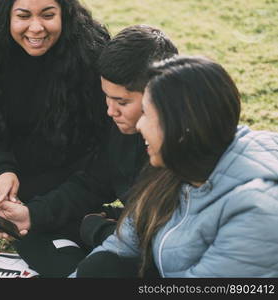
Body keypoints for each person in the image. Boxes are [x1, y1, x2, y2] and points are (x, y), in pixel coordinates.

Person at [0, 24, 178, 278]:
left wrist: (97, 229)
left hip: (160, 248)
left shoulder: (186, 149)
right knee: (32, 227)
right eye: (106, 98)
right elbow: (94, 182)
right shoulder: (122, 129)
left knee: (108, 269)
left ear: (161, 94)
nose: (110, 111)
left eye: (122, 102)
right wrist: (31, 215)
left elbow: (170, 247)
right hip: (133, 225)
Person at [70, 55, 278, 277]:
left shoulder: (255, 211)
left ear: (181, 128)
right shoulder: (176, 166)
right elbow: (121, 246)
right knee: (101, 267)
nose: (139, 125)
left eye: (147, 115)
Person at [0, 1, 111, 232]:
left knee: (84, 178)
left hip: (70, 154)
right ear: (7, 16)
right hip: (21, 145)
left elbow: (105, 134)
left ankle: (48, 211)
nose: (36, 28)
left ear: (65, 13)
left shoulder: (91, 49)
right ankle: (20, 208)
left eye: (48, 15)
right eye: (23, 16)